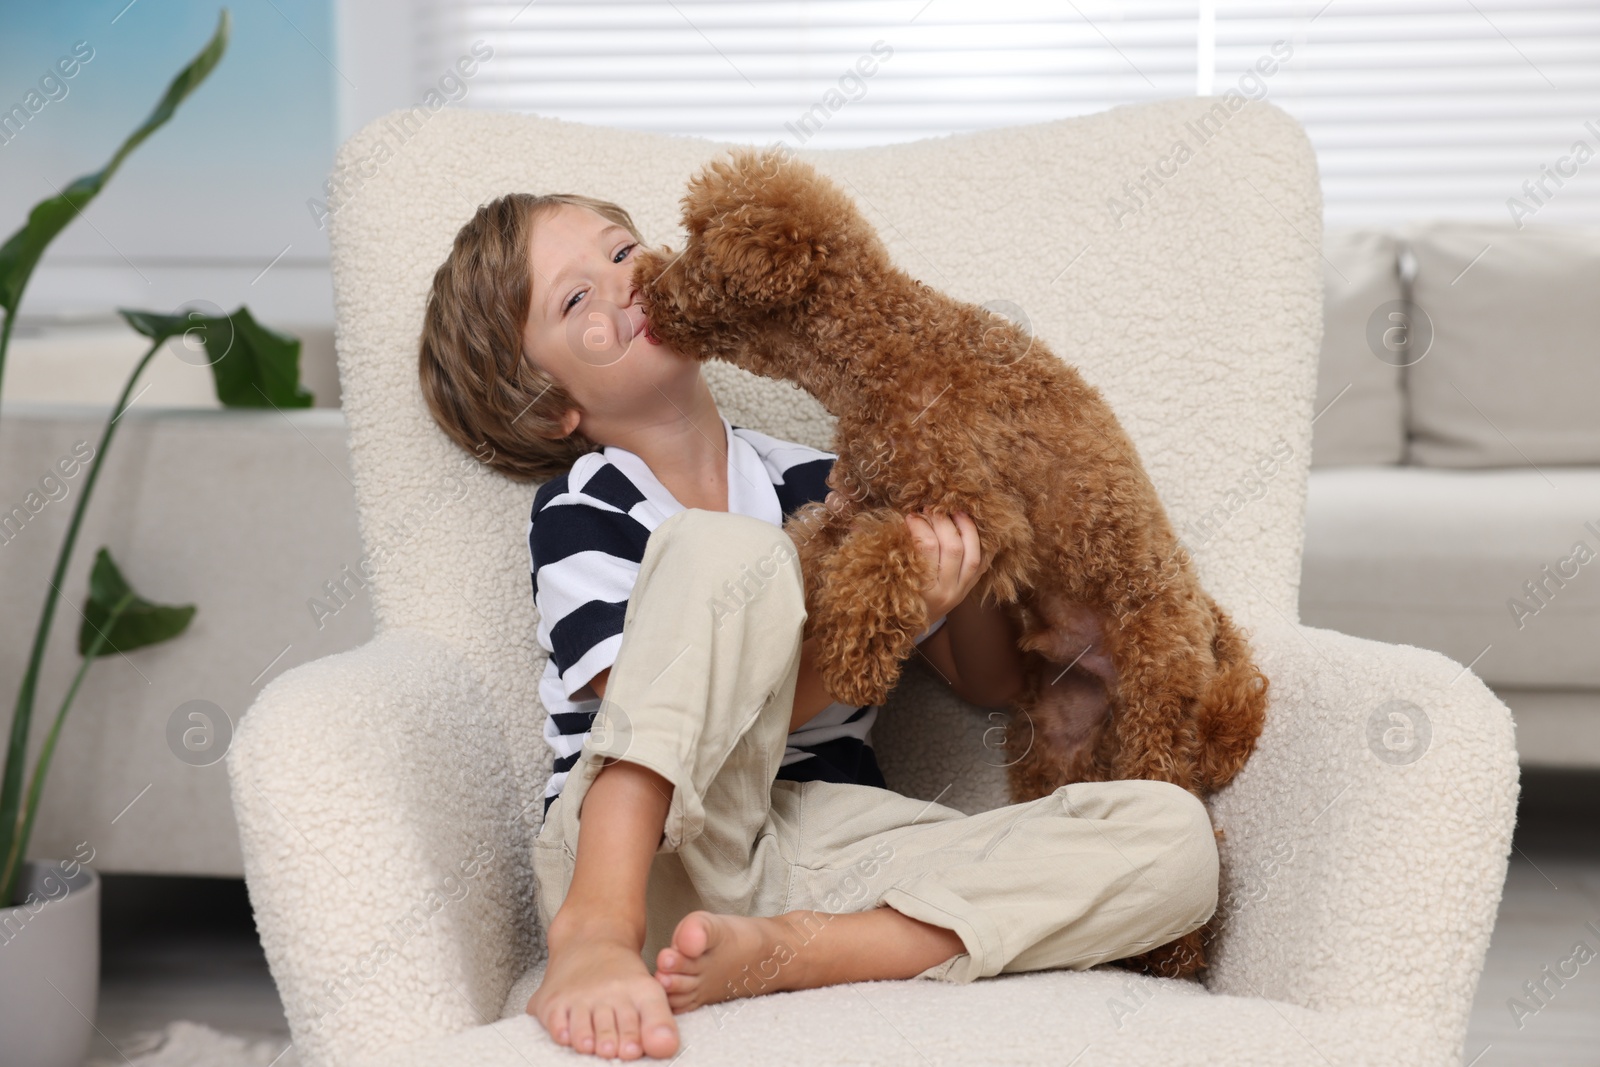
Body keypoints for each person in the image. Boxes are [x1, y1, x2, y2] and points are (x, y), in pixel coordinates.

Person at [417, 191, 1222, 1062]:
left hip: (814, 847)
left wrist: (968, 551)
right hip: (639, 848)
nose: (624, 285)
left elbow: (989, 682)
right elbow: (691, 729)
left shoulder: (823, 480)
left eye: (624, 253)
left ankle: (799, 954)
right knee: (733, 559)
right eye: (576, 300)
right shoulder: (586, 504)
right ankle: (593, 933)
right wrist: (870, 636)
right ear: (548, 409)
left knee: (1174, 845)